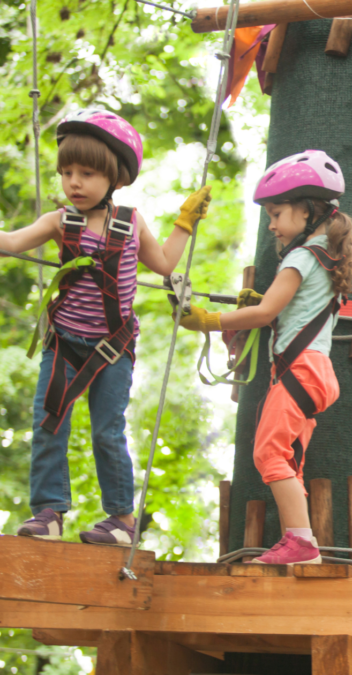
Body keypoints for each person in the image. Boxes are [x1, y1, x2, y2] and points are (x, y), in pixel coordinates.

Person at [1, 109, 211, 546]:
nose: (73, 183)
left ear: (115, 178)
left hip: (112, 350)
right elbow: (11, 243)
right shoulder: (60, 222)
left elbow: (165, 265)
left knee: (106, 430)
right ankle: (49, 512)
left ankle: (120, 520)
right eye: (66, 172)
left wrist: (184, 223)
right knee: (48, 423)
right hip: (63, 345)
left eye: (87, 173)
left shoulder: (131, 223)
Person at [178, 150, 352, 566]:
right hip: (313, 372)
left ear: (308, 210)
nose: (272, 225)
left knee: (267, 454)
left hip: (302, 370)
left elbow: (265, 313)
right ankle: (299, 540)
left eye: (277, 213)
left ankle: (301, 543)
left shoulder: (299, 258)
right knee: (287, 459)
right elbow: (284, 309)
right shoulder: (323, 256)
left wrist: (208, 319)